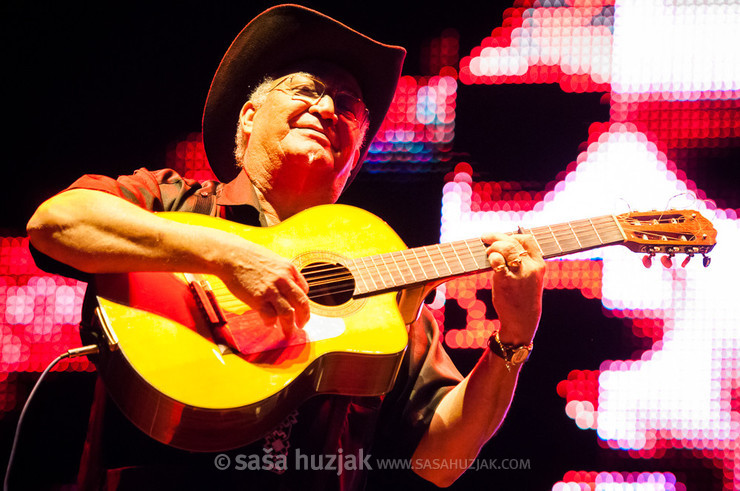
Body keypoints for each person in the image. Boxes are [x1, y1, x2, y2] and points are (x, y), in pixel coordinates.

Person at [25, 5, 545, 490]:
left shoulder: (383, 290)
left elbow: (441, 459)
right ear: (249, 118)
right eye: (306, 90)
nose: (326, 108)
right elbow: (57, 222)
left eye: (348, 107)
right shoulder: (171, 199)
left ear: (353, 155)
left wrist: (514, 339)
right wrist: (224, 256)